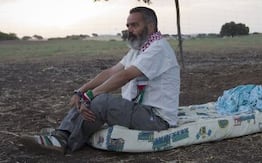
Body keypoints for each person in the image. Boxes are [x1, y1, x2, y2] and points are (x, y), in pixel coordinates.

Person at [20, 6, 180, 154]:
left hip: (156, 118)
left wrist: (90, 95)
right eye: (128, 26)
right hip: (140, 109)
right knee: (88, 98)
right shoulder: (139, 49)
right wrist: (81, 91)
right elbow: (110, 72)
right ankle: (60, 134)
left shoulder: (158, 49)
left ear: (150, 27)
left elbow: (125, 76)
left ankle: (65, 142)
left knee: (100, 101)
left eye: (134, 25)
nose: (129, 30)